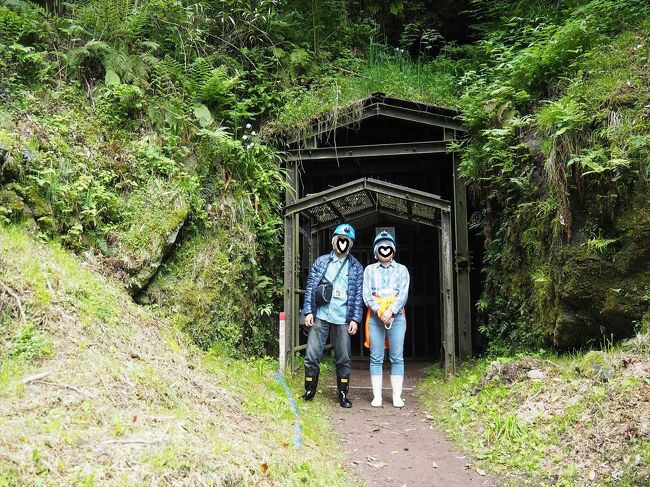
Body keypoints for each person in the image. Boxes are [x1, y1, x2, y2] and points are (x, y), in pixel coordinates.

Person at [301, 223, 364, 408]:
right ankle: (310, 390)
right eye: (340, 240)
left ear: (350, 244)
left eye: (347, 241)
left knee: (343, 357)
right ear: (334, 241)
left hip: (343, 317)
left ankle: (343, 393)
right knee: (312, 355)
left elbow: (358, 295)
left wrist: (355, 319)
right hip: (320, 315)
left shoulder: (356, 267)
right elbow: (311, 287)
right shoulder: (321, 261)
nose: (343, 244)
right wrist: (308, 311)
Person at [363, 230, 410, 408]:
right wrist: (379, 311)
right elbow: (367, 295)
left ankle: (396, 396)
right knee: (376, 357)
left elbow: (404, 294)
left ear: (393, 250)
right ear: (376, 251)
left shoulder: (402, 270)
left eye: (388, 246)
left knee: (397, 356)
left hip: (397, 317)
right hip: (375, 318)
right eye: (381, 247)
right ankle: (377, 396)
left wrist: (391, 311)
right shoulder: (369, 270)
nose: (384, 249)